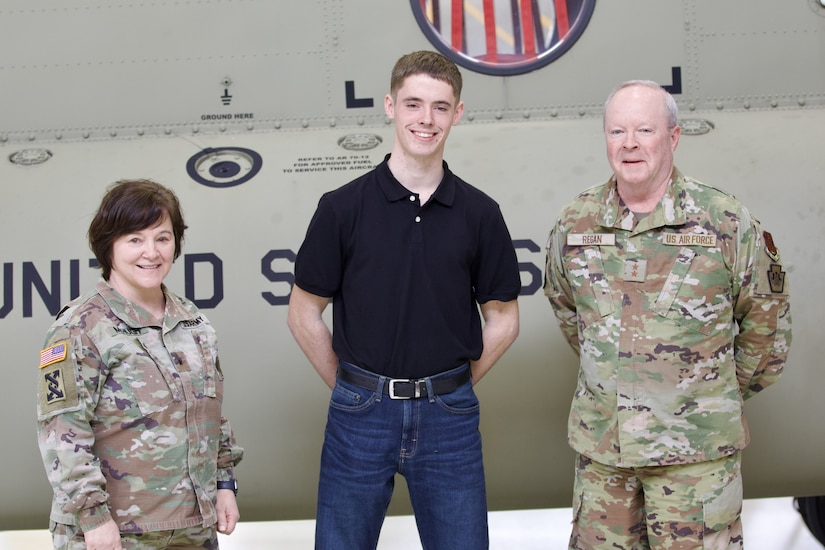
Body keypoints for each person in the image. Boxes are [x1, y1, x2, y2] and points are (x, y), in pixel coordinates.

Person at [287, 50, 521, 549]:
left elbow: (503, 320)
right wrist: (354, 390)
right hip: (360, 416)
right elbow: (303, 313)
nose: (426, 119)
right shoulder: (341, 208)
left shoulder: (480, 213)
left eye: (440, 107)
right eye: (414, 104)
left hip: (449, 421)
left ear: (457, 113)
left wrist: (450, 389)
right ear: (391, 106)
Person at [543, 80, 792, 549]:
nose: (629, 144)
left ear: (673, 137)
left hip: (695, 464)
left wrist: (706, 394)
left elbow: (767, 327)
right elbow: (568, 310)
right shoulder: (576, 222)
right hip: (605, 461)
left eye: (644, 130)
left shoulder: (724, 221)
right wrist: (620, 374)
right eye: (617, 132)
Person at [36, 179, 243, 550]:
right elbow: (62, 432)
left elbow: (209, 415)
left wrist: (224, 484)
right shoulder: (81, 327)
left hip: (192, 528)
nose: (151, 252)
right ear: (108, 246)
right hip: (114, 533)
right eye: (135, 239)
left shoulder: (192, 321)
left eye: (162, 238)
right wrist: (94, 519)